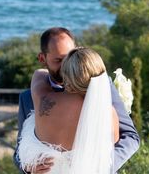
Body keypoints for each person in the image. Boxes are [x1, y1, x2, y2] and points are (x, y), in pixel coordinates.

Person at [13, 28, 140, 173]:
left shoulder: (104, 87)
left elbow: (131, 137)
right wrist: (28, 168)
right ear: (42, 59)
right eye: (59, 60)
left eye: (69, 57)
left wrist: (101, 167)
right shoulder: (27, 97)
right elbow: (19, 151)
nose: (66, 65)